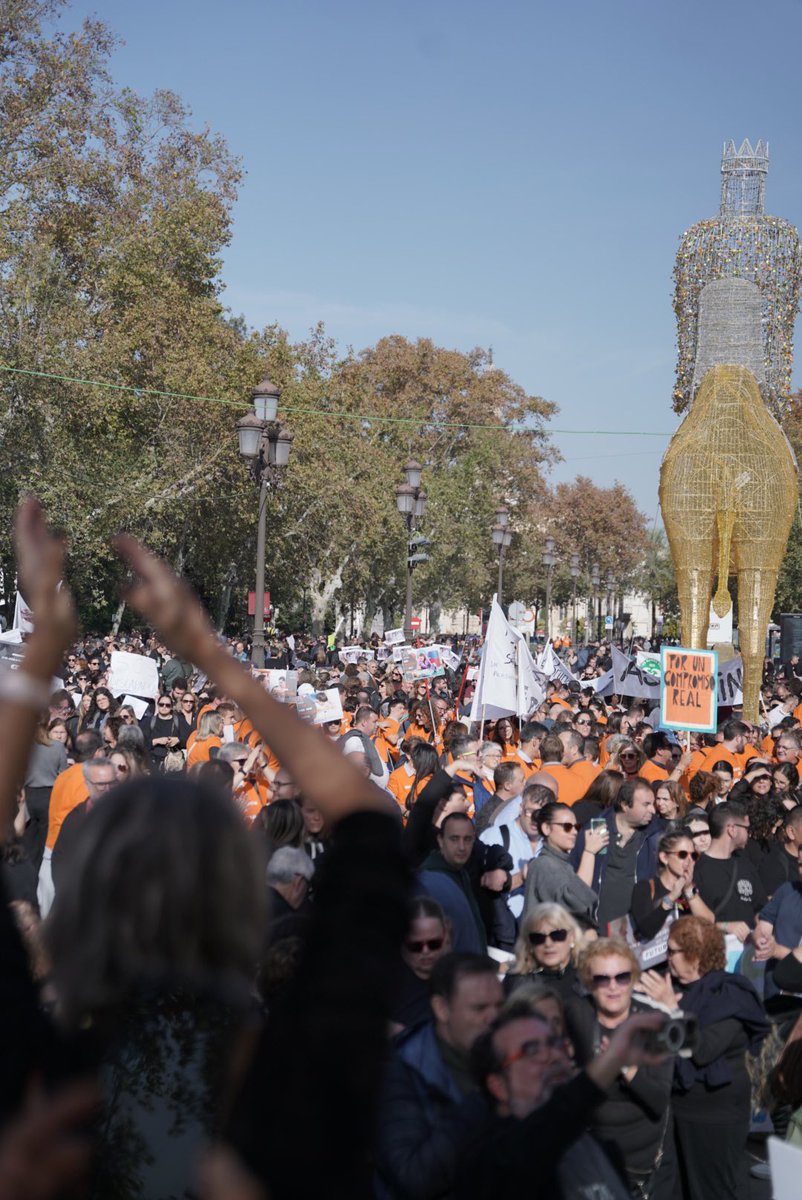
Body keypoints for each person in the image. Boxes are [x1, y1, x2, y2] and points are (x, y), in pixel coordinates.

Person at [465, 1003, 670, 1200]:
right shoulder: (492, 1163)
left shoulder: (600, 1150)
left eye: (554, 1042)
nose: (553, 1055)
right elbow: (551, 1124)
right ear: (499, 1085)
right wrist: (615, 1058)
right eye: (531, 1050)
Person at [637, 917, 769, 1200]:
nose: (666, 957)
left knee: (710, 1192)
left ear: (695, 955)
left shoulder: (729, 993)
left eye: (672, 951)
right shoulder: (675, 990)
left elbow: (705, 1049)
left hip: (714, 1118)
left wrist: (672, 1009)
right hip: (676, 1110)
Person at [376, 953, 502, 1200]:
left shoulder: (508, 1057)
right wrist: (482, 1099)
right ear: (442, 1009)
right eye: (479, 1008)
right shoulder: (400, 1071)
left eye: (499, 1006)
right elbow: (413, 1176)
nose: (493, 1018)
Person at [566, 937, 676, 1199]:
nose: (613, 986)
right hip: (586, 1158)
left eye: (622, 977)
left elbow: (659, 1099)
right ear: (589, 982)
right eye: (602, 979)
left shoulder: (656, 1023)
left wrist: (624, 1066)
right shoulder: (575, 1014)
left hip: (635, 1169)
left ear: (634, 979)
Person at [572, 777, 661, 933]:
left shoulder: (655, 836)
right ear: (625, 805)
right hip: (597, 929)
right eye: (646, 804)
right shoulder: (596, 828)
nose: (653, 810)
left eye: (652, 804)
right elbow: (574, 876)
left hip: (636, 932)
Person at [693, 800, 768, 946]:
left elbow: (761, 905)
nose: (749, 833)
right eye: (746, 828)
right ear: (732, 829)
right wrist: (726, 926)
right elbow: (689, 923)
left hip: (750, 954)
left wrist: (762, 926)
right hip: (714, 954)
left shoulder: (745, 863)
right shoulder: (696, 870)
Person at [522, 802, 604, 926]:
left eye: (576, 827)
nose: (575, 832)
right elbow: (575, 901)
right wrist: (589, 852)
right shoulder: (543, 864)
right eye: (567, 827)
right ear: (546, 828)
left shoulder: (563, 863)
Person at [629, 830, 714, 942]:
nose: (689, 860)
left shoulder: (693, 889)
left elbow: (709, 924)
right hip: (655, 957)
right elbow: (646, 930)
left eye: (693, 855)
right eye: (682, 854)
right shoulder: (645, 887)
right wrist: (671, 897)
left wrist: (688, 889)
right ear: (664, 857)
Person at [392, 897, 451, 1032]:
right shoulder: (387, 987)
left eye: (434, 944)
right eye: (416, 946)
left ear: (446, 937)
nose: (426, 952)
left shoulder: (459, 981)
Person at [504, 902, 584, 1002]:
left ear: (572, 937)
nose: (548, 943)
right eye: (538, 938)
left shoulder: (588, 975)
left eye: (557, 935)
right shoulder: (517, 982)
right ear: (529, 944)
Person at [23, 718, 68, 874]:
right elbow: (63, 773)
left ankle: (29, 876)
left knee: (28, 842)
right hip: (48, 796)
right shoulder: (57, 746)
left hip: (28, 795)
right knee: (45, 842)